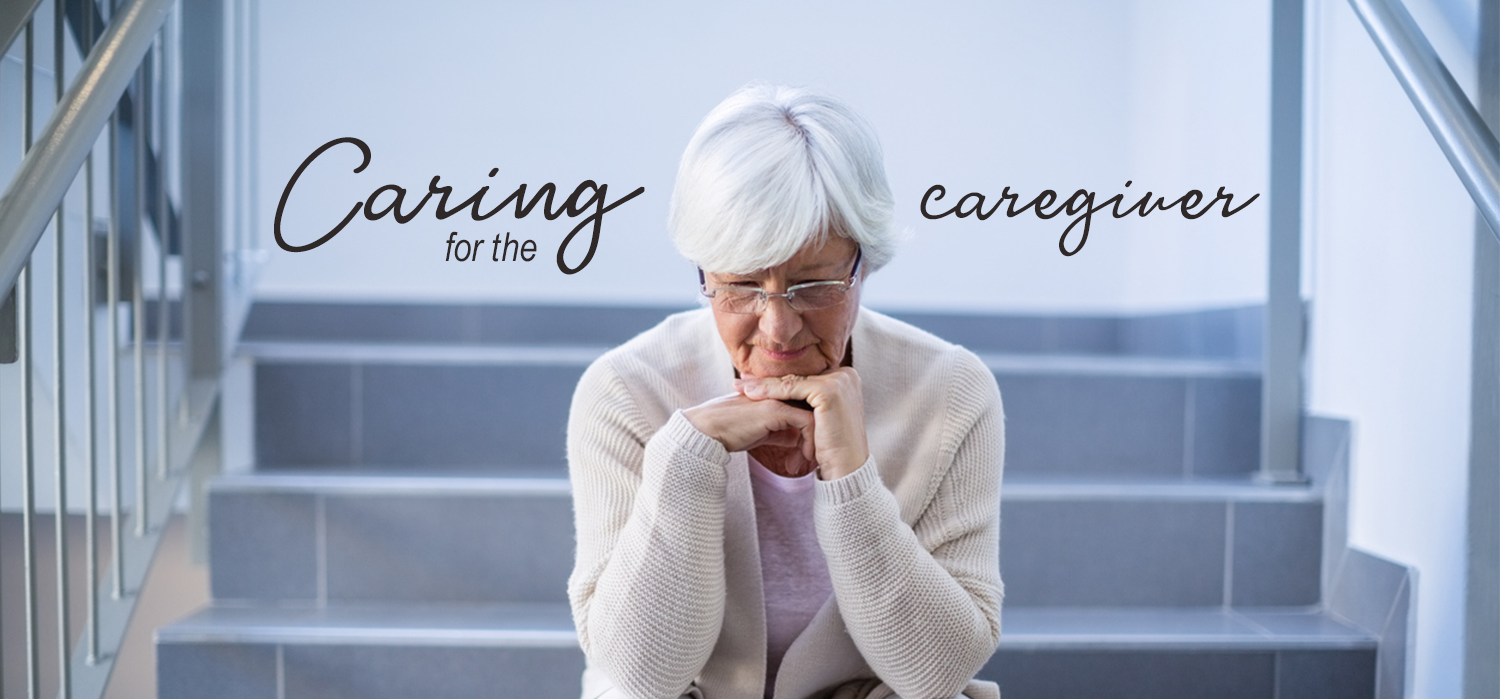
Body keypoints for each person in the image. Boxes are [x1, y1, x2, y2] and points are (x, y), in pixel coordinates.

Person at [566, 83, 1004, 699]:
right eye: (740, 285)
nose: (777, 328)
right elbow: (642, 673)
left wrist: (851, 479)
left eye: (813, 285)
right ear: (702, 273)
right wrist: (685, 460)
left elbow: (935, 673)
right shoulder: (624, 391)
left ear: (863, 265)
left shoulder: (951, 390)